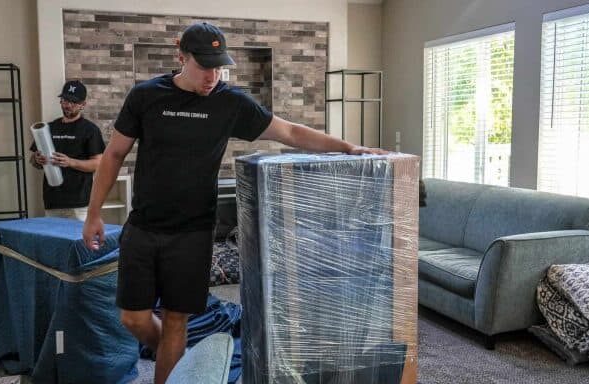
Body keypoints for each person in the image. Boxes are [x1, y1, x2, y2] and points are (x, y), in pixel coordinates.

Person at [82, 22, 388, 384]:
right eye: (204, 65)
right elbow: (114, 154)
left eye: (218, 66)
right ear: (182, 56)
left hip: (193, 232)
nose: (212, 75)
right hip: (144, 226)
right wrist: (94, 213)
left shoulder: (230, 102)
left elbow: (289, 132)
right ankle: (173, 353)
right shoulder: (146, 96)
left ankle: (170, 368)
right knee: (132, 318)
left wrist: (348, 147)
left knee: (178, 319)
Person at [30, 80, 106, 221]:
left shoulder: (90, 130)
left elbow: (98, 164)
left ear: (83, 105)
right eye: (65, 100)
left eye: (74, 102)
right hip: (53, 201)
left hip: (79, 203)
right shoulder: (49, 128)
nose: (68, 105)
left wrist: (70, 162)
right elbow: (33, 161)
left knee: (79, 241)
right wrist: (36, 159)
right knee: (54, 241)